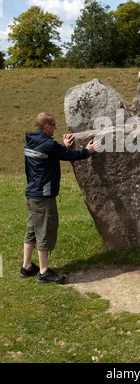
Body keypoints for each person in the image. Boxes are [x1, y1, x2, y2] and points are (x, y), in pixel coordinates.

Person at [20, 112, 99, 284]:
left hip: (32, 193)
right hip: (44, 196)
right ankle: (43, 271)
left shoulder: (31, 142)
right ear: (46, 126)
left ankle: (26, 266)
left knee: (32, 230)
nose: (56, 127)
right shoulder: (48, 145)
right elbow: (70, 156)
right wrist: (88, 151)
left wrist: (62, 146)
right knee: (44, 231)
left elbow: (51, 154)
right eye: (54, 125)